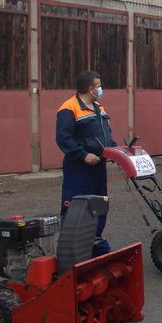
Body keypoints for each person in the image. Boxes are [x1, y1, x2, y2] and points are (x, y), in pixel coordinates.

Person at [56, 70, 115, 256]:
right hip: (79, 168)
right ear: (90, 88)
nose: (100, 88)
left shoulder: (99, 107)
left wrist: (115, 150)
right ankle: (69, 249)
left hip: (99, 167)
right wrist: (83, 155)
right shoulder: (69, 108)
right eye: (98, 85)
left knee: (99, 204)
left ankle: (94, 241)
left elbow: (106, 135)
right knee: (75, 205)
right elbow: (64, 139)